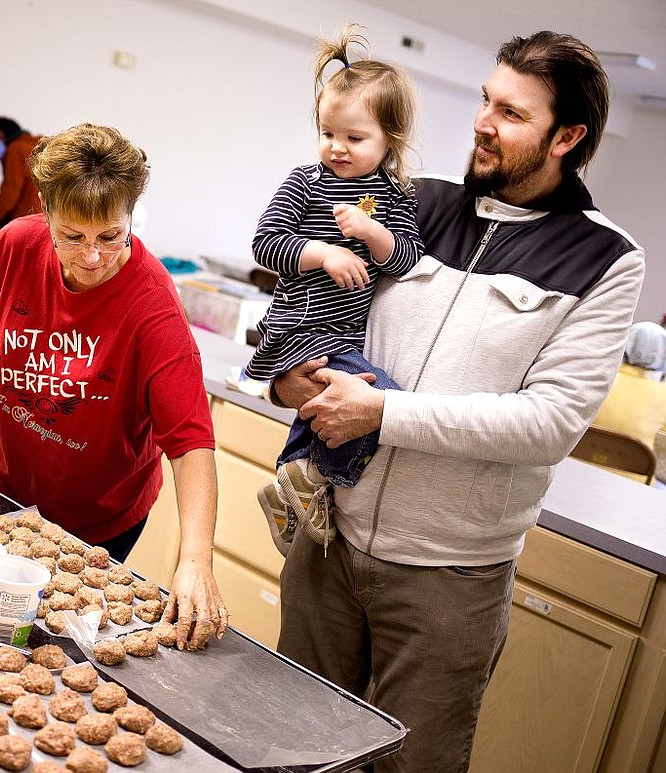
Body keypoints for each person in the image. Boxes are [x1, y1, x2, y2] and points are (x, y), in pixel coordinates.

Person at [271, 31, 644, 772]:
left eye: (511, 112)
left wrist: (382, 413)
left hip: (449, 582)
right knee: (287, 746)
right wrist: (289, 373)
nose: (482, 121)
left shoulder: (606, 259)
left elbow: (549, 423)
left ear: (567, 136)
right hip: (328, 539)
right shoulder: (418, 202)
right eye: (485, 98)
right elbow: (320, 310)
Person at [0, 123, 228, 650]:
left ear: (130, 218)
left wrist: (194, 561)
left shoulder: (153, 307)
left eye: (110, 236)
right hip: (1, 488)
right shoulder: (17, 245)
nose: (93, 257)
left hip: (96, 520)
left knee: (49, 644)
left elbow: (191, 446)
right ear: (45, 209)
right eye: (73, 237)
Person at [245, 25, 422, 554]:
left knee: (342, 404)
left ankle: (295, 483)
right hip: (299, 328)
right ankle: (308, 480)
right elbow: (265, 242)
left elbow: (407, 259)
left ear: (390, 138)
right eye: (328, 133)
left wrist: (374, 235)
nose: (336, 148)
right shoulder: (308, 181)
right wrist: (322, 252)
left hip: (347, 334)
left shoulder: (396, 195)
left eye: (355, 138)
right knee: (380, 399)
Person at [0, 115, 44, 230]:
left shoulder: (16, 149)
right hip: (47, 217)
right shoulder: (40, 144)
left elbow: (11, 190)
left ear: (0, 135)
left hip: (26, 218)